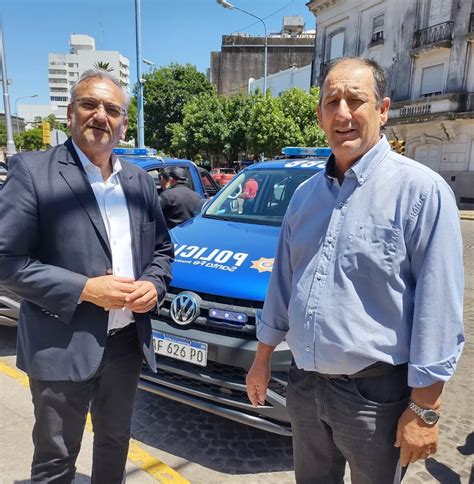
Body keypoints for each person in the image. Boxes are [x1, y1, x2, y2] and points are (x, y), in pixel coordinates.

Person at [246, 57, 464, 483]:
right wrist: (262, 357)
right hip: (306, 386)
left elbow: (438, 309)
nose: (343, 113)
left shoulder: (421, 192)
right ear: (320, 115)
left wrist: (424, 409)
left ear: (382, 110)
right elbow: (283, 287)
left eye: (355, 100)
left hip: (375, 398)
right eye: (332, 102)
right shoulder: (304, 197)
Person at [0, 70, 174, 483]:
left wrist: (154, 284)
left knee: (115, 443)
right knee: (56, 460)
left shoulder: (137, 181)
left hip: (126, 346)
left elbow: (163, 251)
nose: (101, 116)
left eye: (112, 109)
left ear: (124, 123)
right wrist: (84, 289)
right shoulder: (33, 172)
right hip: (60, 345)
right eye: (89, 105)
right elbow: (5, 258)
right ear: (70, 113)